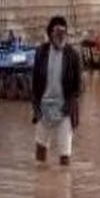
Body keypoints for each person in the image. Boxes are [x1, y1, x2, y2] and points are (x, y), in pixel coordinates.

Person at [31, 15, 82, 165]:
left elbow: (78, 88)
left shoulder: (73, 55)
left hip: (64, 110)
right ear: (50, 34)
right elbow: (35, 83)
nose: (60, 36)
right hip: (43, 108)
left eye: (63, 32)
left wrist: (70, 104)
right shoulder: (41, 53)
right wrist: (35, 107)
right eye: (57, 32)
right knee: (40, 148)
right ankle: (41, 181)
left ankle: (64, 184)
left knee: (65, 155)